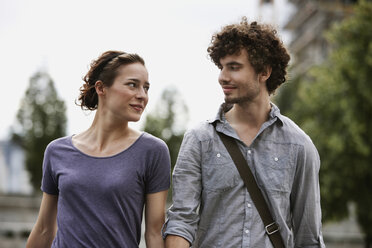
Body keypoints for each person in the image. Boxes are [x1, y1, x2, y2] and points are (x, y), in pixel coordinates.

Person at [163, 18, 325, 248]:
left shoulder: (299, 145)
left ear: (264, 72)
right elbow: (181, 221)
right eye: (222, 67)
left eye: (234, 67)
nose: (222, 77)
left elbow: (309, 238)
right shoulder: (199, 139)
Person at [26, 50, 171, 248]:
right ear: (102, 88)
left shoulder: (152, 151)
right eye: (132, 85)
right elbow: (44, 229)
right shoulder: (57, 151)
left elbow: (155, 232)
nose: (142, 95)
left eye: (146, 88)